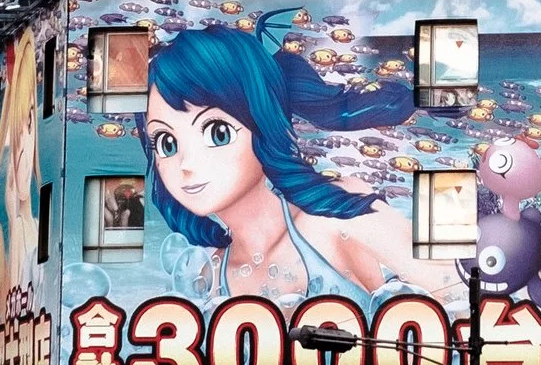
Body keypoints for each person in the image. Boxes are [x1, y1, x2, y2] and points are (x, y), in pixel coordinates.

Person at [142, 18, 426, 308]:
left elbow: (458, 300)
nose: (186, 163)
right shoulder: (209, 277)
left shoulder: (336, 214)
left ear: (264, 123)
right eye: (167, 143)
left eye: (218, 132)